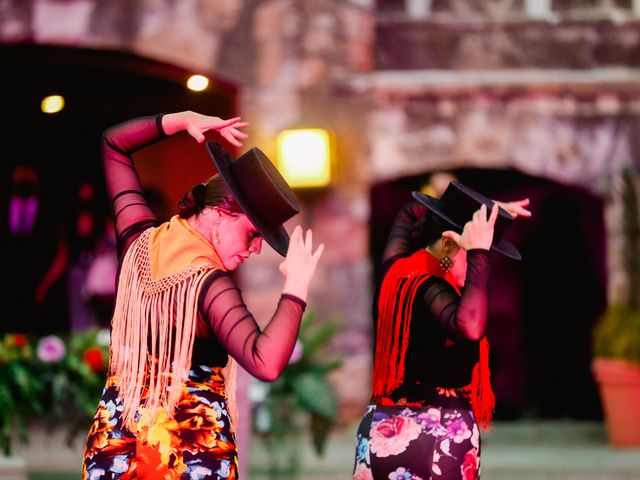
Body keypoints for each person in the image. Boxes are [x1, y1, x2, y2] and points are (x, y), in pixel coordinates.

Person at [82, 110, 324, 479]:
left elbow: (113, 144)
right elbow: (266, 362)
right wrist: (296, 285)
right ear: (222, 213)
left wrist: (179, 121)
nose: (255, 249)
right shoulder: (209, 285)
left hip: (116, 446)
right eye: (252, 234)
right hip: (188, 452)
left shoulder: (138, 244)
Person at [353, 181, 530, 480]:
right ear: (448, 244)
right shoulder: (433, 291)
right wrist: (479, 254)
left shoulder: (395, 271)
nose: (476, 267)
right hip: (437, 436)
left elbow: (410, 210)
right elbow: (470, 327)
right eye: (472, 254)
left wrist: (485, 209)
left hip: (379, 433)